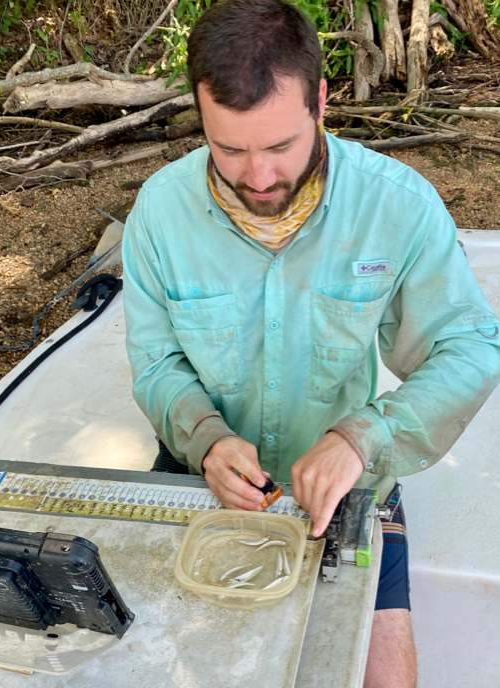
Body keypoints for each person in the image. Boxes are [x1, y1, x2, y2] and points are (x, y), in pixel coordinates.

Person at [122, 1, 500, 685]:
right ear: (199, 116)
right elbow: (156, 361)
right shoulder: (159, 211)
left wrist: (363, 438)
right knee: (143, 660)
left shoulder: (398, 205)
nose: (258, 178)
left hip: (353, 485)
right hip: (198, 477)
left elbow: (471, 347)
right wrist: (204, 437)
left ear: (322, 101)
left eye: (280, 146)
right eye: (229, 149)